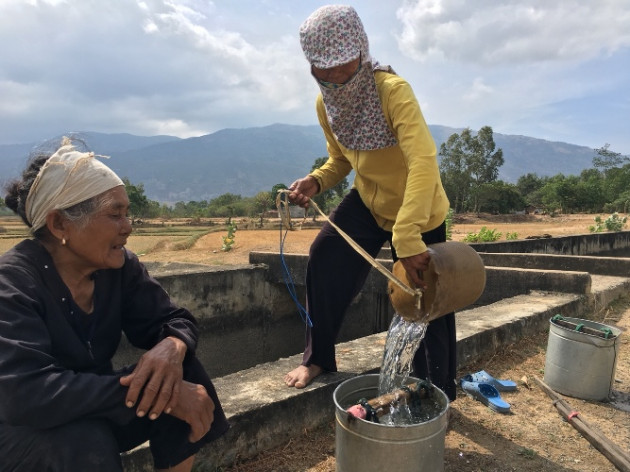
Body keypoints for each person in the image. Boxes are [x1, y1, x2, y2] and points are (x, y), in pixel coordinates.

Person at [0, 138, 229, 471]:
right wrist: (141, 391)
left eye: (127, 214)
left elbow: (175, 319)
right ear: (59, 224)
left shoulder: (117, 269)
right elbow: (27, 394)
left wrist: (173, 346)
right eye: (115, 214)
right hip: (22, 430)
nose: (128, 227)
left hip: (94, 406)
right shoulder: (14, 283)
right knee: (86, 437)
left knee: (182, 373)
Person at [284, 5, 456, 401]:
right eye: (324, 74)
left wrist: (408, 234)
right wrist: (317, 180)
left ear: (361, 51)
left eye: (343, 69)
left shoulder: (393, 91)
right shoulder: (325, 104)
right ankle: (318, 357)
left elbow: (423, 161)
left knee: (426, 296)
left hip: (418, 209)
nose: (337, 81)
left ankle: (435, 391)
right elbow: (342, 159)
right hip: (369, 201)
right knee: (325, 254)